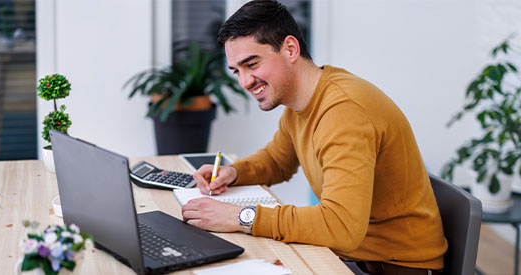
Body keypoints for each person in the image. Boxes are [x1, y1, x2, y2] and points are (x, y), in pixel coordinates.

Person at [181, 0, 447, 274]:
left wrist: (241, 216)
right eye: (237, 71)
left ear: (291, 49)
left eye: (252, 64)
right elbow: (277, 161)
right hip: (357, 255)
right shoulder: (301, 103)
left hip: (395, 266)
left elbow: (341, 225)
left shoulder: (343, 112)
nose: (245, 82)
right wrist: (233, 172)